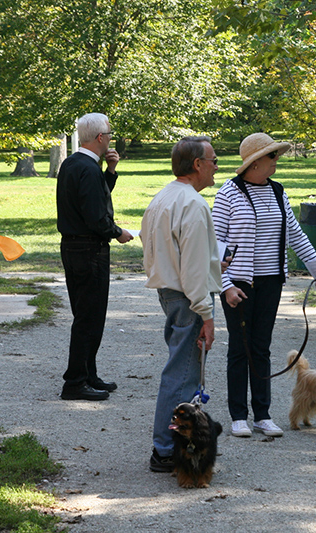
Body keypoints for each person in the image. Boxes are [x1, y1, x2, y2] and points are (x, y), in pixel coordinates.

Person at [212, 132, 316, 439]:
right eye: (273, 155)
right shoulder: (229, 193)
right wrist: (225, 285)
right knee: (240, 348)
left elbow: (295, 235)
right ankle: (238, 416)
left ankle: (262, 415)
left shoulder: (278, 191)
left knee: (261, 347)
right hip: (237, 283)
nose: (277, 159)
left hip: (271, 281)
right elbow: (213, 245)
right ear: (255, 162)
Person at [140, 136, 222, 472]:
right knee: (183, 376)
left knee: (179, 371)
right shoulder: (193, 204)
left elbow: (153, 248)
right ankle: (165, 449)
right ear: (197, 165)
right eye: (214, 160)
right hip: (188, 298)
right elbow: (190, 268)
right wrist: (206, 314)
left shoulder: (162, 198)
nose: (218, 167)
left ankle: (169, 445)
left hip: (170, 293)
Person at [56, 113, 133, 401]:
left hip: (74, 247)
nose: (111, 139)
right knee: (89, 318)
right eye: (110, 135)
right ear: (100, 138)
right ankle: (75, 382)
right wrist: (117, 232)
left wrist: (110, 171)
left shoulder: (75, 164)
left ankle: (88, 373)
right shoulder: (87, 168)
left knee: (87, 315)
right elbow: (95, 215)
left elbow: (94, 198)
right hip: (89, 249)